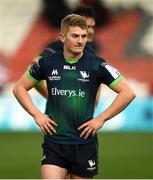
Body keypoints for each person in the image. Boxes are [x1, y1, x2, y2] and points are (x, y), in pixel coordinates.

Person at [13, 14, 136, 179]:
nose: (80, 41)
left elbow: (128, 92)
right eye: (75, 36)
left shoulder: (96, 64)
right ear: (62, 37)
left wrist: (101, 119)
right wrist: (37, 114)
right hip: (54, 143)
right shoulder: (47, 63)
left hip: (84, 144)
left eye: (84, 36)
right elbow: (19, 88)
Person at [34, 6, 100, 104]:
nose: (91, 31)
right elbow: (33, 67)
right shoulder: (57, 47)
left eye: (93, 27)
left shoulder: (90, 51)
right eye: (87, 26)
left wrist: (94, 102)